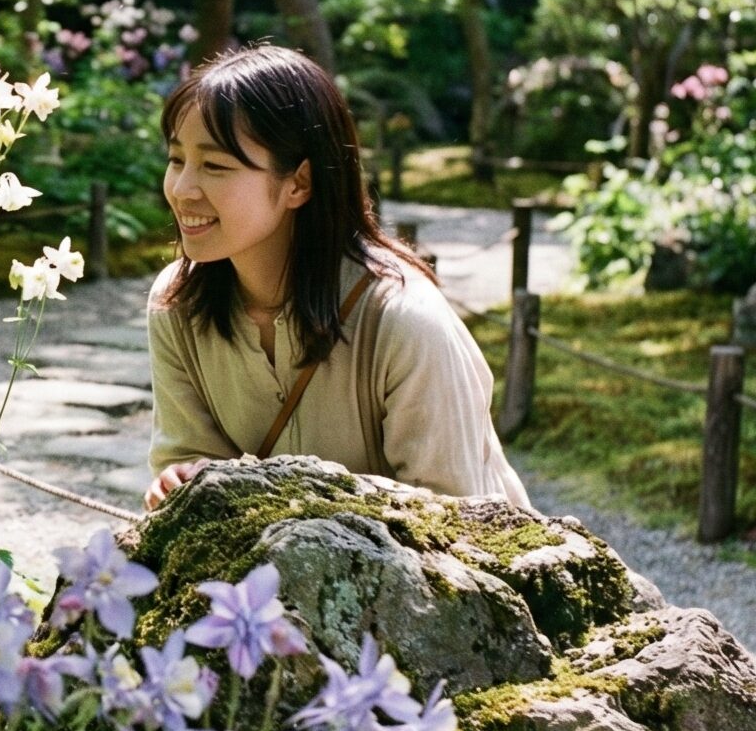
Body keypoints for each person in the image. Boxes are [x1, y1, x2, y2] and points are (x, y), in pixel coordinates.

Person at [144, 43, 529, 510]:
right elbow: (187, 457)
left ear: (299, 183)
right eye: (176, 159)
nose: (182, 189)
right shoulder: (178, 301)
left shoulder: (405, 319)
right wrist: (182, 479)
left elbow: (454, 513)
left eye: (215, 166)